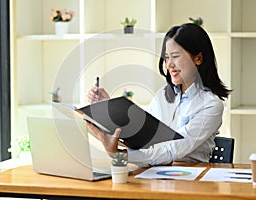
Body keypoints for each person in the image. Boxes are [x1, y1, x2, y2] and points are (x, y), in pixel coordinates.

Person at [87, 23, 231, 167]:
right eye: (166, 57)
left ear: (198, 59)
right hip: (156, 174)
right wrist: (109, 106)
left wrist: (120, 154)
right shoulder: (164, 94)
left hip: (191, 179)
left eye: (175, 56)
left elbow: (172, 151)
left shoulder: (211, 105)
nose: (169, 65)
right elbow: (141, 130)